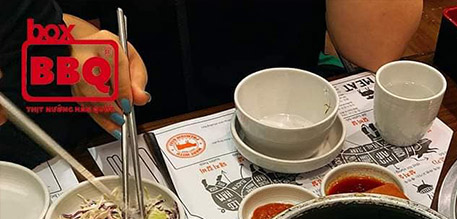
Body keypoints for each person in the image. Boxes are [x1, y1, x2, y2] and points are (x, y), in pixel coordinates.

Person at [1, 0, 423, 166]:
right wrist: (79, 44)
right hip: (147, 127)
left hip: (290, 119)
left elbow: (372, 51)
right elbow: (51, 18)